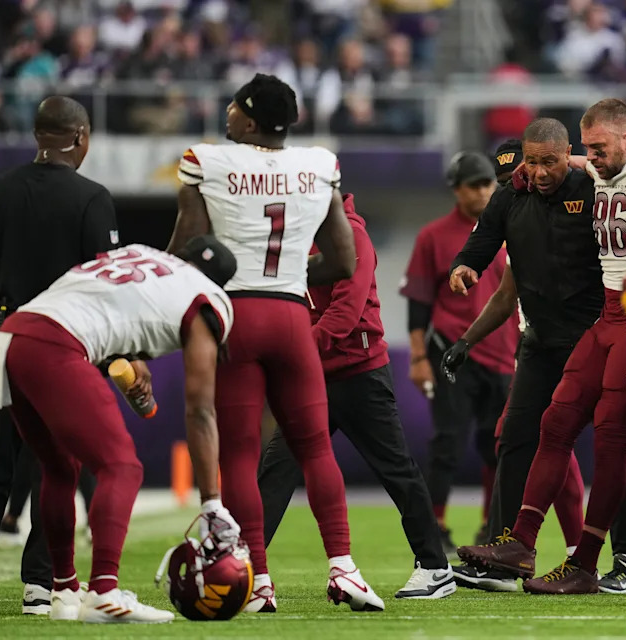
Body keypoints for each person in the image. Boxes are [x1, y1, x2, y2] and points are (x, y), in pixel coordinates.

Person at [166, 73, 383, 613]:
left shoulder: (207, 161)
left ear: (252, 117)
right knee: (314, 446)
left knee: (240, 451)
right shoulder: (318, 164)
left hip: (235, 314)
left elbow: (187, 249)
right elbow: (341, 261)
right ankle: (345, 569)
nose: (228, 114)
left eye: (236, 107)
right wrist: (290, 269)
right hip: (290, 314)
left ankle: (258, 579)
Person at [458, 100, 626, 595]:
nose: (592, 157)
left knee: (621, 441)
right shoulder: (591, 174)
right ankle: (520, 543)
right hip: (596, 324)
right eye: (587, 149)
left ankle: (622, 558)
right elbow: (564, 167)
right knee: (550, 427)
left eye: (597, 148)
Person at [0, 238, 238, 623]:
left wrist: (128, 356)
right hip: (55, 344)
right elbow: (199, 409)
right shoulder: (206, 297)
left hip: (11, 335)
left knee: (59, 468)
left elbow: (106, 302)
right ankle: (103, 590)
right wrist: (212, 501)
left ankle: (64, 592)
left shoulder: (140, 253)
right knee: (122, 466)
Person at [0, 96, 120, 615]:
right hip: (62, 339)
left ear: (37, 136)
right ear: (80, 138)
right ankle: (40, 582)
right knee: (54, 464)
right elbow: (105, 284)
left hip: (1, 334)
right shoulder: (93, 197)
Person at [257, 193, 455, 600]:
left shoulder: (353, 237)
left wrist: (290, 352)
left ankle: (436, 567)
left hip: (359, 373)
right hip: (314, 374)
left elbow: (344, 316)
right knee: (277, 468)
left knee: (396, 469)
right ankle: (247, 566)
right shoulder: (297, 238)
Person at [448, 117, 611, 586]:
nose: (539, 172)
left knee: (613, 444)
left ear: (569, 155)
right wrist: (465, 265)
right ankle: (509, 550)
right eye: (532, 161)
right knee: (516, 438)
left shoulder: (593, 188)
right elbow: (481, 243)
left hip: (592, 338)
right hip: (539, 340)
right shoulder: (510, 195)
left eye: (549, 162)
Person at [400, 150, 516, 553]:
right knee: (447, 442)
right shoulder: (433, 236)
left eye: (488, 183)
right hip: (451, 351)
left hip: (504, 353)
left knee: (497, 445)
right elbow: (418, 301)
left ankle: (492, 526)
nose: (483, 191)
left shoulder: (510, 226)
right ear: (456, 189)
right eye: (475, 185)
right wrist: (417, 357)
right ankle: (437, 524)